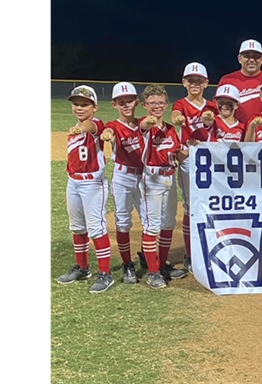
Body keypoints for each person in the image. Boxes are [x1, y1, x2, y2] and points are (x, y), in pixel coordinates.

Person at [57, 85, 115, 294]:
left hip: (92, 184)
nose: (79, 108)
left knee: (96, 228)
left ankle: (105, 274)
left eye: (84, 105)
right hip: (73, 182)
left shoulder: (96, 124)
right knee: (77, 227)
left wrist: (81, 128)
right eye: (76, 105)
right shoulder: (75, 127)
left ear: (95, 107)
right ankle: (83, 268)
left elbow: (91, 127)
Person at [169, 62, 217, 279]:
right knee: (190, 207)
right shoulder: (181, 103)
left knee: (214, 206)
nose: (195, 83)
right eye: (191, 80)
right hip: (190, 160)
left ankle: (211, 249)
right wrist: (178, 120)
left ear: (206, 83)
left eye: (199, 80)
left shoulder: (214, 106)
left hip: (213, 161)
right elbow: (176, 116)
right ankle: (190, 254)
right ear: (184, 82)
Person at [137, 84, 186, 289]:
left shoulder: (170, 129)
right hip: (152, 180)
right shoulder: (144, 124)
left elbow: (177, 154)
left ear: (166, 104)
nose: (157, 106)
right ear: (144, 105)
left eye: (160, 102)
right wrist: (150, 121)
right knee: (152, 226)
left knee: (167, 224)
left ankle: (162, 264)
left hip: (169, 178)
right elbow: (144, 127)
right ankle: (152, 271)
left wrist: (190, 150)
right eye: (152, 103)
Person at [99, 82, 145, 285]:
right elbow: (108, 131)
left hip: (145, 177)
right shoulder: (114, 126)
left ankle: (148, 256)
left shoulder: (144, 122)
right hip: (123, 177)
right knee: (124, 221)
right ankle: (128, 264)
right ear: (114, 104)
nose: (127, 105)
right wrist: (107, 136)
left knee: (150, 220)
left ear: (137, 102)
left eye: (130, 101)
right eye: (121, 102)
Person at [218, 39, 262, 124]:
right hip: (234, 132)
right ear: (240, 59)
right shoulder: (227, 80)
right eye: (247, 56)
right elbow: (218, 110)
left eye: (256, 56)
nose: (251, 60)